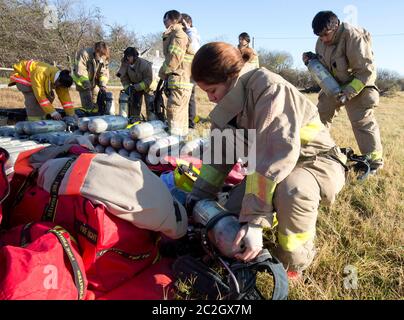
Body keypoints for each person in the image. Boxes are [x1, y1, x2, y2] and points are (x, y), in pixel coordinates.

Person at [187, 42, 346, 278]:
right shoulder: (230, 102)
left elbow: (274, 154)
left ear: (231, 77)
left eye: (212, 91)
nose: (210, 99)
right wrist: (197, 197)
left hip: (314, 162)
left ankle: (293, 264)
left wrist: (254, 222)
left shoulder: (269, 89)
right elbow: (218, 157)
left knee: (291, 191)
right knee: (230, 215)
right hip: (271, 165)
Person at [303, 11, 383, 174]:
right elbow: (325, 68)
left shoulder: (353, 36)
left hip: (358, 83)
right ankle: (313, 151)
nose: (323, 39)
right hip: (334, 85)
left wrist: (348, 92)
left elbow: (365, 72)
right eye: (319, 36)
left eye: (325, 34)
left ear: (336, 26)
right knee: (320, 117)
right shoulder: (321, 41)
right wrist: (312, 60)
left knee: (362, 121)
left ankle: (373, 162)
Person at [159, 10, 194, 136]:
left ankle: (173, 146)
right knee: (180, 115)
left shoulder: (178, 35)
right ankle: (180, 144)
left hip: (180, 81)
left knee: (174, 113)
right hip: (180, 81)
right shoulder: (176, 34)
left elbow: (173, 58)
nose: (164, 22)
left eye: (165, 19)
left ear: (173, 20)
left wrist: (162, 73)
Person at [9, 60, 75, 121]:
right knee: (32, 98)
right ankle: (33, 120)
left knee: (50, 96)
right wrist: (53, 112)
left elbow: (66, 99)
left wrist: (71, 114)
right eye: (60, 86)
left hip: (35, 79)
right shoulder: (40, 73)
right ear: (58, 82)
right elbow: (40, 95)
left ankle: (42, 117)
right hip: (23, 77)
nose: (60, 88)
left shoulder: (61, 79)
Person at [116, 47, 154, 121]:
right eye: (126, 56)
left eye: (129, 56)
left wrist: (135, 87)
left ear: (135, 57)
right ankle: (135, 119)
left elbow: (148, 80)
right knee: (135, 103)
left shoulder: (144, 65)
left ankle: (151, 121)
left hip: (149, 86)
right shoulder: (125, 63)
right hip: (136, 85)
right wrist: (127, 88)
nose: (127, 58)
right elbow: (123, 77)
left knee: (150, 104)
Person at [73, 41, 110, 113]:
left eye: (103, 55)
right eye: (100, 55)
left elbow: (104, 72)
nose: (102, 57)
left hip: (93, 82)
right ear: (96, 51)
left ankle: (95, 116)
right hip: (82, 82)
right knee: (87, 103)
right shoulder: (84, 54)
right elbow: (80, 71)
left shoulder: (104, 56)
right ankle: (87, 117)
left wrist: (103, 85)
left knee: (96, 99)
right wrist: (86, 84)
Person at [181, 13, 201, 129]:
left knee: (189, 98)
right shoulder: (189, 34)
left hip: (190, 73)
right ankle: (187, 122)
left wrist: (187, 29)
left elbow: (193, 48)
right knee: (186, 98)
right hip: (185, 72)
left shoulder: (192, 34)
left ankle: (190, 124)